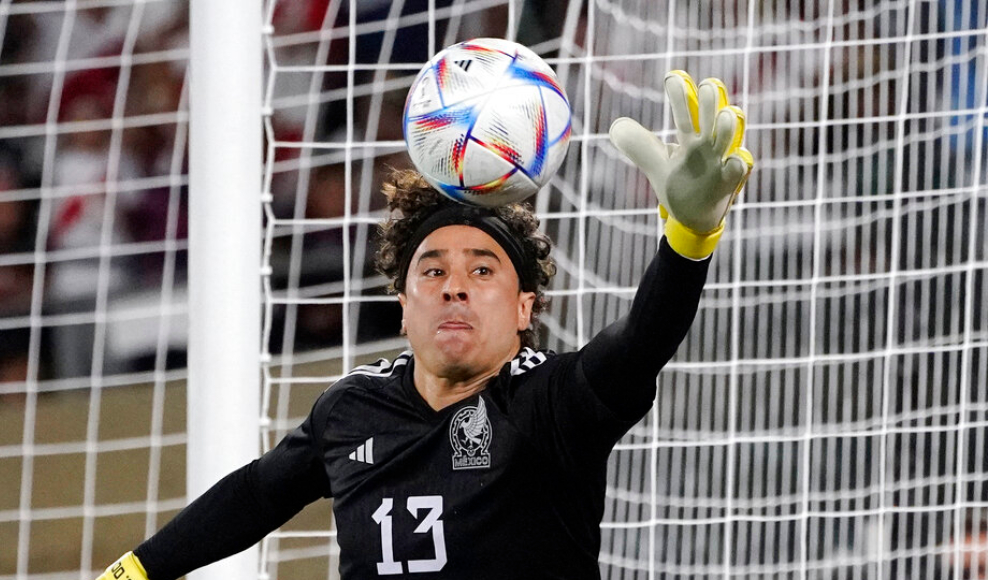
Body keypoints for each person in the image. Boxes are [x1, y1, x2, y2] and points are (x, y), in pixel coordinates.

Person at [96, 70, 753, 580]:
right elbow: (256, 495)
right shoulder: (351, 409)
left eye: (483, 270)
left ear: (524, 309)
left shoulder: (551, 402)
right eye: (433, 270)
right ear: (404, 306)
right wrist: (136, 570)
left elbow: (641, 342)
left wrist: (687, 241)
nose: (455, 285)